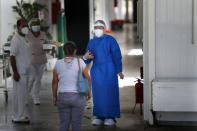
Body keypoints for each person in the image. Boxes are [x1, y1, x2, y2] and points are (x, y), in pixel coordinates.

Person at [83, 20, 124, 126]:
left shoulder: (111, 40)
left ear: (105, 29)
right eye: (96, 27)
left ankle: (110, 117)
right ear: (93, 29)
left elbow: (117, 56)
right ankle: (99, 116)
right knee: (98, 94)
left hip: (110, 70)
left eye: (100, 27)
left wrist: (119, 70)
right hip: (97, 72)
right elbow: (88, 58)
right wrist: (86, 58)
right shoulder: (91, 42)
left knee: (110, 93)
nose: (98, 29)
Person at [52, 41, 91, 131]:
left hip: (63, 97)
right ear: (75, 51)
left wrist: (54, 97)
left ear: (63, 51)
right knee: (76, 124)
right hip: (78, 97)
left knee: (64, 123)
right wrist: (89, 94)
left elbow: (54, 81)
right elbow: (88, 79)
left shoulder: (58, 63)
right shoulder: (80, 62)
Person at [27, 18, 53, 105]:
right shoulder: (27, 34)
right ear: (30, 27)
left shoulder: (43, 34)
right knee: (32, 78)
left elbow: (46, 44)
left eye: (37, 25)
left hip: (41, 59)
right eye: (34, 25)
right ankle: (26, 96)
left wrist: (49, 47)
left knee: (38, 79)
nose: (36, 26)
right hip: (31, 59)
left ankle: (36, 97)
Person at [10, 19, 31, 123]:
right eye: (23, 26)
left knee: (20, 95)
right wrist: (15, 72)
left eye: (27, 25)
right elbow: (12, 56)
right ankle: (18, 117)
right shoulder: (16, 39)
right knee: (20, 95)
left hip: (24, 71)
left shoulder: (24, 38)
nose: (26, 27)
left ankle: (17, 115)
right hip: (19, 72)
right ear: (18, 27)